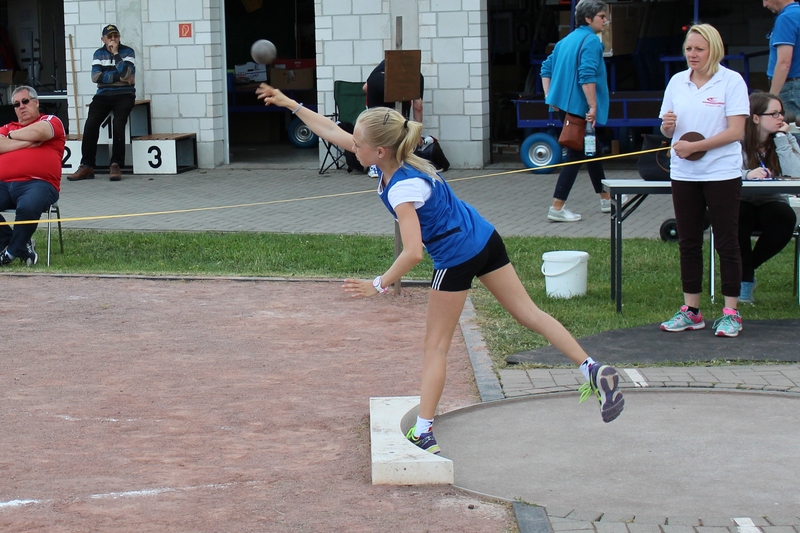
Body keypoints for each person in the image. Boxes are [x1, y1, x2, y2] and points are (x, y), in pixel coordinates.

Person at [256, 84, 625, 454]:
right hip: (485, 238)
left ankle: (424, 431)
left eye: (358, 142)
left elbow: (413, 253)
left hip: (456, 257)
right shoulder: (404, 157)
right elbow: (330, 130)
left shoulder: (401, 188)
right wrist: (290, 104)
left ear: (379, 151)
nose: (351, 144)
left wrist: (378, 284)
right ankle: (592, 369)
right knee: (530, 313)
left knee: (435, 347)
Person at [658, 24, 750, 337]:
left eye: (699, 49)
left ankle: (731, 312)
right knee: (688, 241)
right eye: (688, 49)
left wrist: (695, 147)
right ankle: (691, 310)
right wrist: (668, 127)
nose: (692, 54)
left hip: (721, 172)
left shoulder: (731, 81)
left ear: (714, 50)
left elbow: (736, 131)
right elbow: (667, 129)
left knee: (727, 240)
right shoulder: (676, 82)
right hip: (684, 173)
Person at [541, 0, 617, 222]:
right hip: (579, 108)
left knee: (592, 151)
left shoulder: (565, 41)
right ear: (588, 18)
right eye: (602, 16)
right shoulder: (591, 41)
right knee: (576, 153)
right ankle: (557, 207)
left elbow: (545, 68)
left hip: (565, 107)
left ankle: (606, 198)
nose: (606, 20)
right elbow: (586, 74)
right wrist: (593, 106)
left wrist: (549, 97)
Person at [738, 91, 799, 304]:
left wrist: (782, 139)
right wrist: (747, 174)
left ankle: (745, 272)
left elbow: (796, 174)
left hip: (772, 200)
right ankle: (744, 280)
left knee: (785, 218)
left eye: (781, 113)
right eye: (774, 114)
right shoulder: (737, 140)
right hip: (743, 199)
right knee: (736, 218)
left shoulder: (785, 139)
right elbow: (724, 170)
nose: (780, 118)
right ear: (756, 118)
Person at [0, 86, 65, 266]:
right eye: (16, 104)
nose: (21, 106)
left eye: (25, 101)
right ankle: (17, 243)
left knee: (28, 206)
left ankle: (10, 253)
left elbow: (40, 132)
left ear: (36, 102)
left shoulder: (50, 120)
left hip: (39, 184)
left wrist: (10, 137)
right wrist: (26, 143)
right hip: (4, 184)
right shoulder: (7, 127)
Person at [67, 24, 135, 182]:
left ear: (119, 37)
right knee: (90, 124)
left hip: (124, 94)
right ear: (103, 39)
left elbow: (127, 73)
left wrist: (116, 54)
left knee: (118, 124)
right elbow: (96, 77)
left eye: (116, 36)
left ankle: (116, 164)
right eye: (109, 36)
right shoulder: (98, 53)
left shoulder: (128, 52)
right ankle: (87, 166)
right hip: (103, 95)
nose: (113, 39)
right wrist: (120, 78)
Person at [363, 59, 425, 178]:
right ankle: (400, 163)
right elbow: (418, 107)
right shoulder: (416, 75)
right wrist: (417, 134)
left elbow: (365, 87)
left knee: (377, 131)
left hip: (377, 89)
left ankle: (374, 166)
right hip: (398, 97)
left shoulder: (386, 62)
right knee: (397, 129)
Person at [764, 0, 800, 118]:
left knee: (790, 127)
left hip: (790, 87)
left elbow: (784, 62)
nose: (765, 5)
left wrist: (772, 99)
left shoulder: (786, 18)